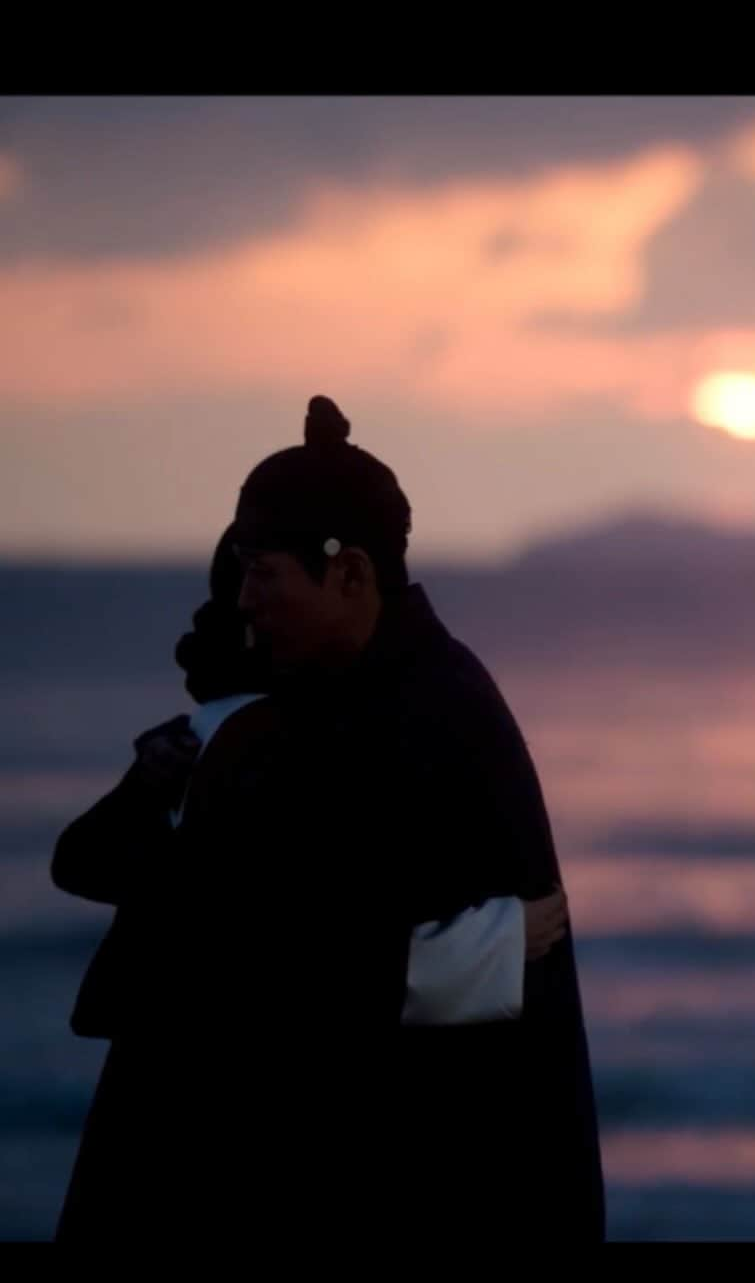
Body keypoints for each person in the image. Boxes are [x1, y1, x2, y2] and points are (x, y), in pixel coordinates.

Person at [51, 526, 569, 1240]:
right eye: (251, 579)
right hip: (208, 1114)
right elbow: (272, 942)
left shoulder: (207, 731)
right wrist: (494, 943)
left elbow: (96, 867)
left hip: (160, 1102)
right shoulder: (262, 739)